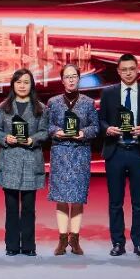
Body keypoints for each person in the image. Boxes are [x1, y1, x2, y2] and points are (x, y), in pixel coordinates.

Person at [100, 53, 140, 257]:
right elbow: (101, 120)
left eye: (131, 69)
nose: (128, 73)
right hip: (115, 151)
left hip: (137, 152)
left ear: (137, 70)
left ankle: (139, 243)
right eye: (124, 70)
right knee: (115, 202)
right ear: (118, 72)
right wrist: (108, 129)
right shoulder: (108, 93)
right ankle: (118, 242)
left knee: (139, 202)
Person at [0, 69, 50, 256]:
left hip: (30, 161)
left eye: (26, 82)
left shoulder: (40, 108)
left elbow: (45, 132)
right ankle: (11, 246)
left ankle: (28, 246)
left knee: (28, 208)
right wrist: (5, 138)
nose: (22, 86)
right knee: (11, 208)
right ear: (13, 85)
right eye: (18, 82)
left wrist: (33, 139)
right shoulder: (4, 107)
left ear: (31, 85)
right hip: (10, 160)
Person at [46, 64, 99, 256]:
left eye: (74, 76)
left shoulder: (88, 102)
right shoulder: (53, 102)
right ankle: (62, 239)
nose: (71, 79)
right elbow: (47, 126)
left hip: (80, 153)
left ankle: (74, 239)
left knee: (77, 198)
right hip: (60, 153)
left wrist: (83, 133)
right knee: (61, 198)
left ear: (78, 78)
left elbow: (95, 127)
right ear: (62, 80)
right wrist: (57, 131)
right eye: (67, 77)